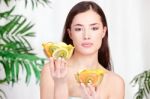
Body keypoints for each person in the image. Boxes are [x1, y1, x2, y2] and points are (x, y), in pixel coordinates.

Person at [40, 1, 125, 99]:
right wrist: (60, 84)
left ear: (103, 31)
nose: (86, 36)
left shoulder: (116, 83)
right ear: (70, 33)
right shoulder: (53, 71)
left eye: (94, 28)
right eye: (78, 29)